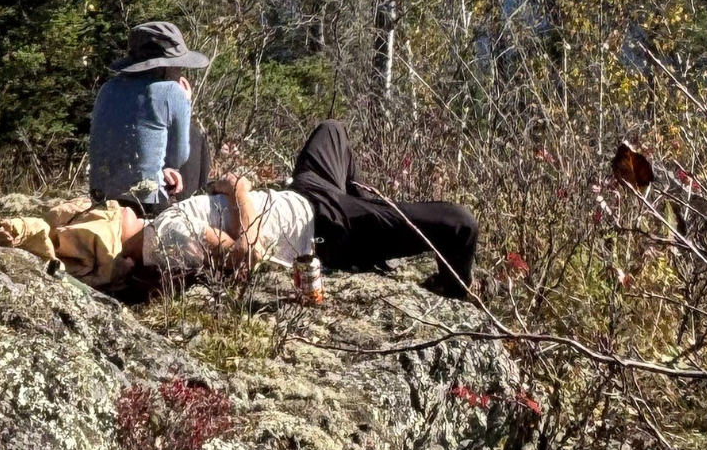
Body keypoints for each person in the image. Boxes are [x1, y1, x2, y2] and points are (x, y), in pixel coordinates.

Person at [116, 120, 477, 300]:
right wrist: (237, 189)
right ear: (111, 238)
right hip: (323, 226)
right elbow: (248, 256)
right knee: (460, 224)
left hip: (304, 194)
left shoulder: (158, 228)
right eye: (108, 214)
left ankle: (370, 214)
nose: (114, 207)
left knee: (332, 129)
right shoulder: (166, 238)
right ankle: (450, 286)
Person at [88, 21, 212, 213]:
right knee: (194, 134)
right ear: (165, 67)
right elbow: (180, 156)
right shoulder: (171, 91)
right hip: (146, 202)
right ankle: (194, 204)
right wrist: (186, 104)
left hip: (102, 196)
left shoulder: (107, 88)